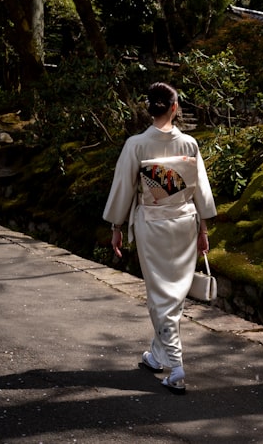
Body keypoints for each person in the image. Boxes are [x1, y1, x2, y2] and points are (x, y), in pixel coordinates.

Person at [103, 82, 217, 394]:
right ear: (174, 108)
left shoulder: (136, 145)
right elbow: (201, 192)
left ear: (149, 108)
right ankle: (156, 355)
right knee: (171, 293)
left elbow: (123, 189)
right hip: (184, 221)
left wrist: (116, 227)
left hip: (152, 224)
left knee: (160, 293)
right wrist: (204, 232)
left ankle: (177, 366)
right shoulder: (189, 144)